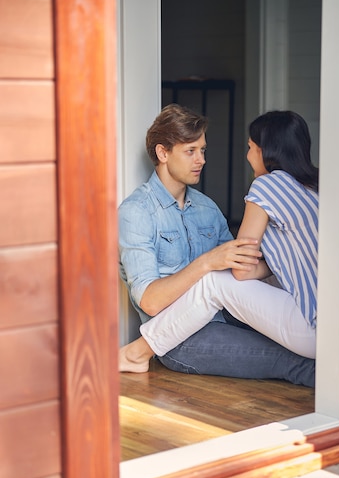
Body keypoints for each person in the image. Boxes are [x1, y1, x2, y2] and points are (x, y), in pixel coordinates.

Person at [118, 104, 315, 387]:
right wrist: (208, 262)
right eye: (190, 151)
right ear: (163, 153)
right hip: (181, 338)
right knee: (296, 361)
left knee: (305, 345)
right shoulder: (136, 212)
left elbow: (238, 275)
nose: (201, 160)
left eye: (203, 150)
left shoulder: (206, 208)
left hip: (227, 316)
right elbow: (149, 300)